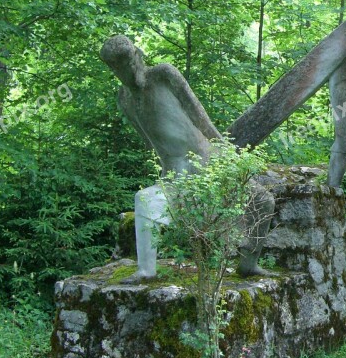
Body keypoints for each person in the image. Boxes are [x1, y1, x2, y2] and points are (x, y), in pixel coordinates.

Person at [100, 35, 274, 280]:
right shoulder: (125, 99)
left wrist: (226, 155)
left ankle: (248, 263)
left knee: (263, 201)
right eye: (119, 69)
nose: (128, 73)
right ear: (113, 70)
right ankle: (146, 269)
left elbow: (199, 116)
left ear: (138, 55)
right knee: (145, 200)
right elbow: (150, 143)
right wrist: (167, 171)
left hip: (208, 159)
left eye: (130, 63)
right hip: (177, 172)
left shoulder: (163, 75)